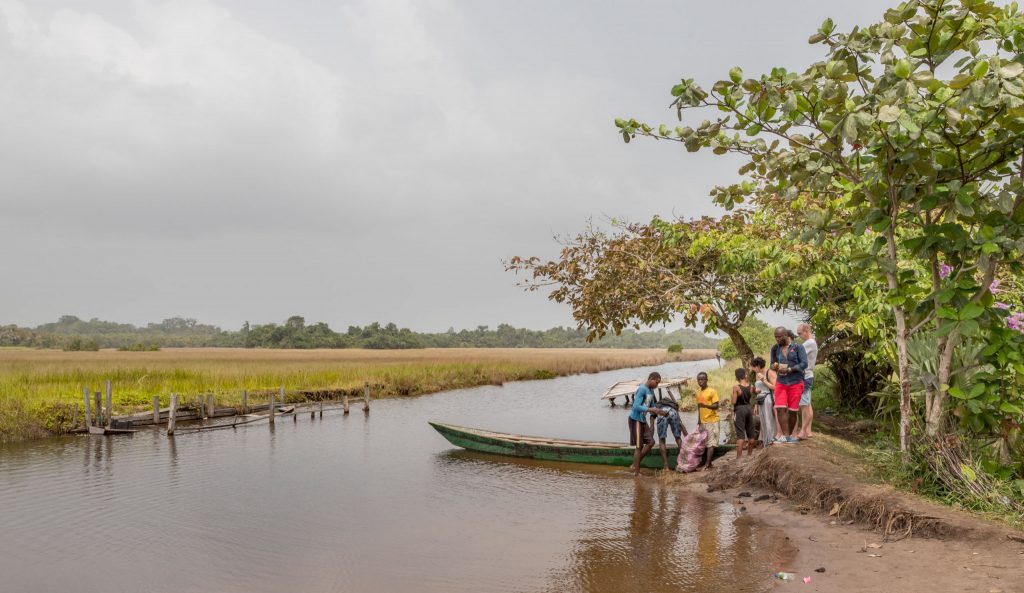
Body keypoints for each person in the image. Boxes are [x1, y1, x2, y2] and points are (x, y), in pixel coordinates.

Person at [770, 326, 807, 444]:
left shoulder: (798, 347)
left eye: (779, 337)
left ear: (786, 335)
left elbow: (804, 364)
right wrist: (775, 366)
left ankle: (790, 435)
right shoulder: (775, 348)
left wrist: (790, 369)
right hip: (781, 382)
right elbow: (771, 364)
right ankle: (785, 436)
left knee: (792, 411)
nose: (777, 339)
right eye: (776, 337)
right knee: (780, 408)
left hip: (796, 381)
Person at [628, 372, 667, 477]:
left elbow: (653, 405)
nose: (657, 385)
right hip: (635, 419)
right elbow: (636, 406)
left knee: (651, 442)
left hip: (642, 420)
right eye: (657, 382)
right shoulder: (642, 389)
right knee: (639, 446)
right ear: (651, 379)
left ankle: (634, 464)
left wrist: (659, 412)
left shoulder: (651, 391)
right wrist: (651, 409)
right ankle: (636, 473)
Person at [654, 388, 687, 471]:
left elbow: (653, 415)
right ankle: (682, 462)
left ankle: (666, 467)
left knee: (662, 440)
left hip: (662, 412)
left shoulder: (658, 405)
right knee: (678, 438)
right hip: (673, 413)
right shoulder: (674, 406)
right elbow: (680, 422)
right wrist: (686, 435)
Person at [694, 371, 720, 470]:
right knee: (704, 443)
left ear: (706, 380)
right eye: (699, 379)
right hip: (703, 421)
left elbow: (716, 405)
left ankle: (707, 465)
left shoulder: (712, 391)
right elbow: (699, 407)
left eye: (702, 379)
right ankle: (708, 463)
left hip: (712, 421)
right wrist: (699, 420)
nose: (700, 381)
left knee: (711, 443)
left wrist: (705, 405)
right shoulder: (698, 392)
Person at [796, 323, 818, 440]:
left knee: (804, 405)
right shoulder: (812, 342)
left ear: (806, 331)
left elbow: (796, 354)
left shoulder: (808, 343)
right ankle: (808, 430)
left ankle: (803, 431)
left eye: (799, 333)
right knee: (807, 404)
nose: (799, 336)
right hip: (808, 375)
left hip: (805, 375)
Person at [731, 368, 757, 459]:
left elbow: (733, 402)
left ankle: (738, 458)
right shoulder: (751, 386)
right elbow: (755, 392)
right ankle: (749, 456)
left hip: (740, 410)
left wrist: (733, 395)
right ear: (744, 375)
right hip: (748, 409)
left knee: (740, 435)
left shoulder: (736, 387)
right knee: (751, 434)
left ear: (737, 377)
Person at [751, 357, 777, 447]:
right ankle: (766, 442)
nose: (752, 369)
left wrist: (763, 380)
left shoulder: (769, 372)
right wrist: (755, 404)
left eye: (753, 367)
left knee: (769, 419)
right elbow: (758, 389)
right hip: (760, 400)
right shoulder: (757, 374)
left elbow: (775, 387)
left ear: (758, 366)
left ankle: (772, 439)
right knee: (763, 421)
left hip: (768, 398)